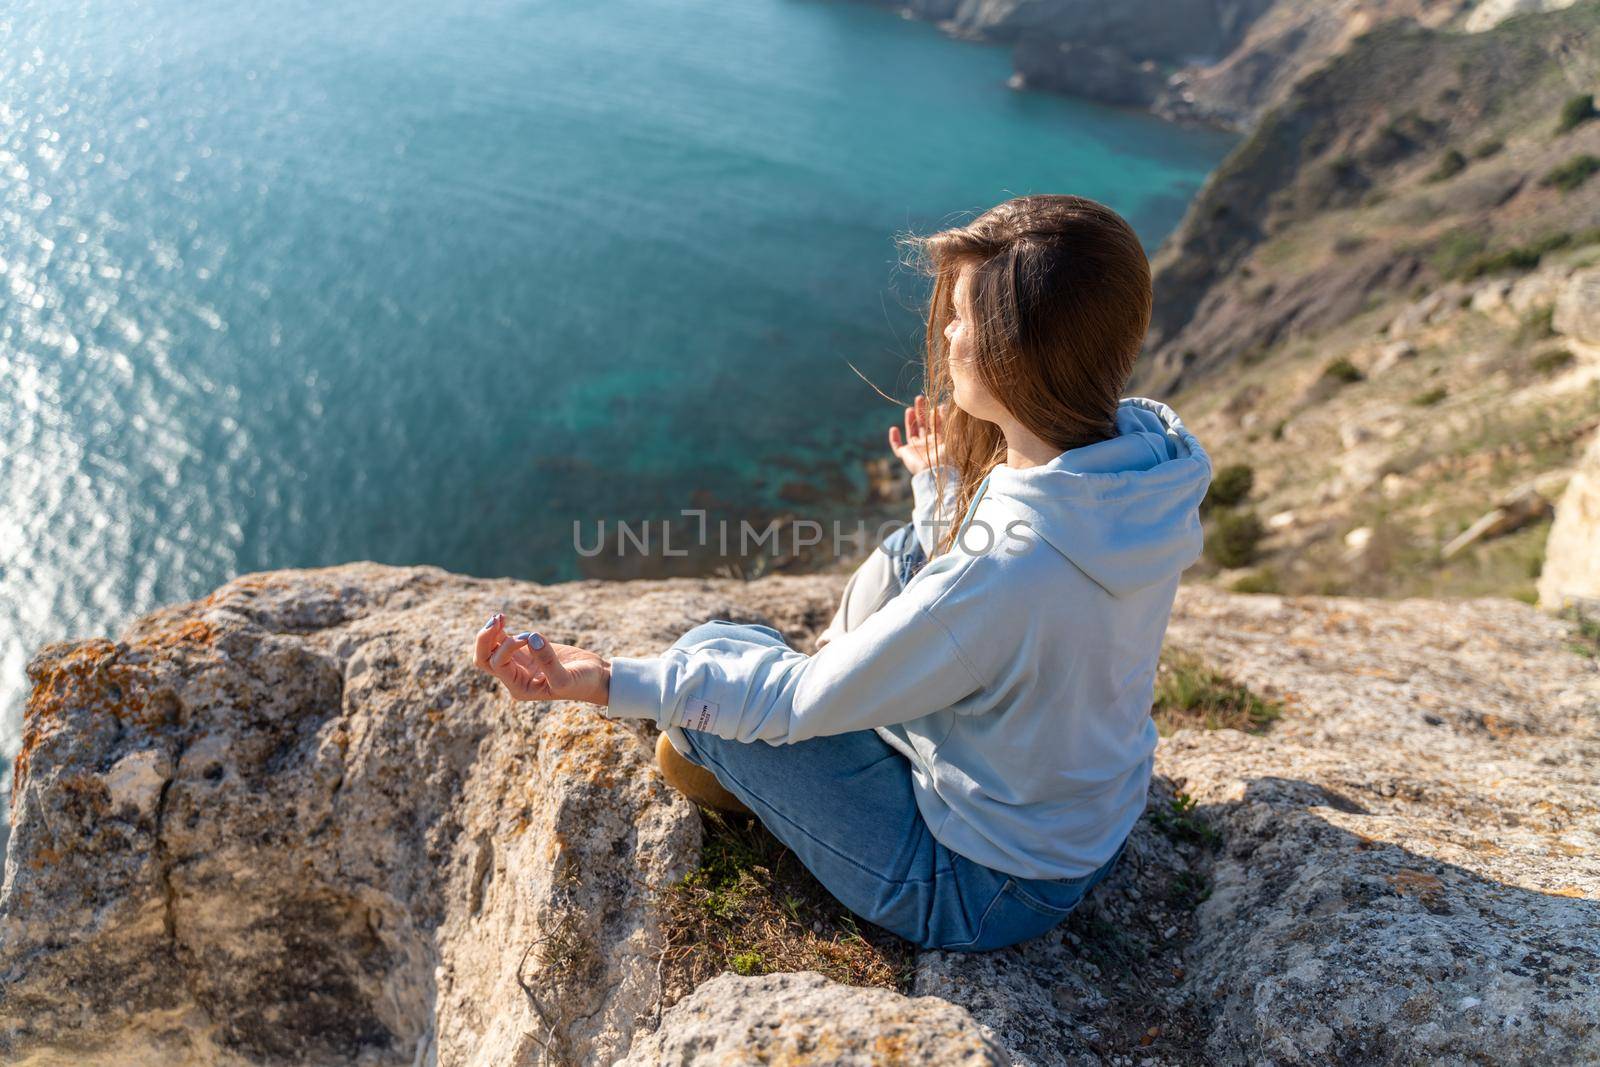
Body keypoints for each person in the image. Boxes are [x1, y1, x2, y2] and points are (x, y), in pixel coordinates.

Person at [472, 193, 1212, 952]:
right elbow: (1002, 591)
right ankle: (812, 700)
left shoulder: (1010, 567)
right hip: (1082, 822)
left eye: (960, 318)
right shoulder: (1138, 464)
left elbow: (809, 696)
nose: (948, 332)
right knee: (902, 555)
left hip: (977, 884)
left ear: (1012, 356)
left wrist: (599, 678)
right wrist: (938, 494)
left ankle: (725, 774)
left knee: (717, 665)